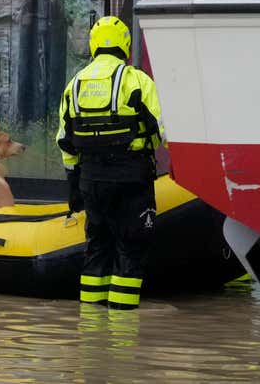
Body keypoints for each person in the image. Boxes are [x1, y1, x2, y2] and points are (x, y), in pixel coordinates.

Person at [55, 16, 165, 310]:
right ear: (125, 45)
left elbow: (64, 141)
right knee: (130, 249)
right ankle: (122, 335)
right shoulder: (136, 80)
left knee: (96, 248)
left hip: (91, 180)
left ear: (93, 45)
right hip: (131, 178)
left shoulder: (74, 85)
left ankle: (91, 329)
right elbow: (161, 131)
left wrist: (74, 185)